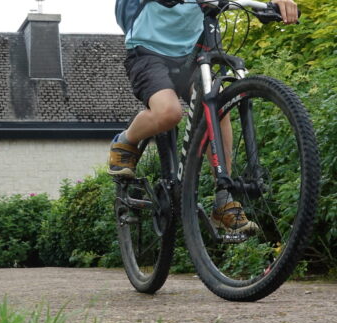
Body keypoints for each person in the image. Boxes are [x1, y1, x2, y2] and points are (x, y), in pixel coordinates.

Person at [108, 0, 299, 233]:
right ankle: (126, 141)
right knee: (168, 113)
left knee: (218, 104)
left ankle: (224, 200)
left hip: (193, 51)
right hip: (147, 51)